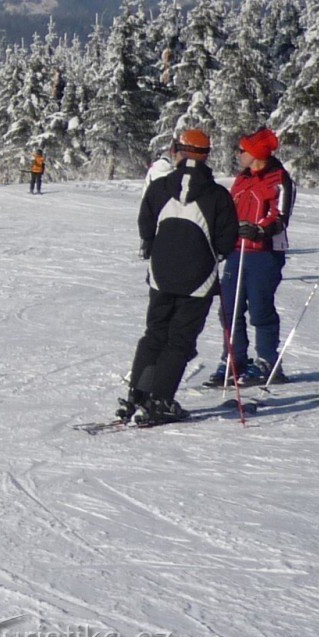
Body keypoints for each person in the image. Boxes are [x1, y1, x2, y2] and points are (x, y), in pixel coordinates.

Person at [121, 128, 239, 426]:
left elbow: (145, 227)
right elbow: (227, 241)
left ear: (177, 150)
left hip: (161, 274)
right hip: (198, 278)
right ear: (206, 156)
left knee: (155, 333)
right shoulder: (217, 194)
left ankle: (138, 394)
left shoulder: (159, 186)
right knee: (180, 340)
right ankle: (160, 400)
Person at [203, 128, 296, 386]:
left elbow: (280, 217)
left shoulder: (278, 179)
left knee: (259, 309)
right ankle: (234, 359)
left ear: (256, 154)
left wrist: (258, 230)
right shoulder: (242, 178)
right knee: (229, 309)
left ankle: (268, 362)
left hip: (264, 254)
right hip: (237, 250)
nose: (238, 154)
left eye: (242, 150)